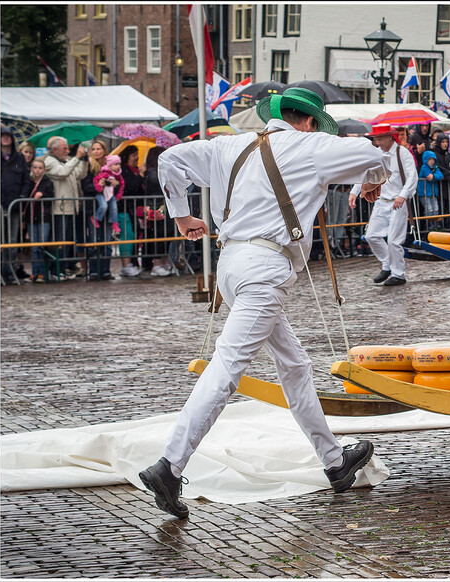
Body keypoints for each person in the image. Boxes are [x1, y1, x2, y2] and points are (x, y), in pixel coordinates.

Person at [139, 88, 391, 519]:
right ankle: (170, 464)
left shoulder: (227, 144)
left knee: (295, 366)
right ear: (309, 121)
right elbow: (373, 152)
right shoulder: (311, 145)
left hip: (233, 266)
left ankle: (334, 462)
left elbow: (169, 159)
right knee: (226, 368)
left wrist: (181, 213)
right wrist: (372, 181)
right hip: (265, 268)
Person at [349, 123, 418, 287]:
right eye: (375, 138)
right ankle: (388, 265)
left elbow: (412, 176)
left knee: (394, 240)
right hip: (382, 201)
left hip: (397, 201)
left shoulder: (403, 152)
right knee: (371, 235)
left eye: (379, 138)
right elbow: (366, 173)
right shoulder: (377, 154)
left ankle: (398, 274)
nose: (377, 142)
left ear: (389, 137)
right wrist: (355, 191)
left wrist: (402, 196)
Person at [44, 135, 87, 279]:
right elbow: (63, 173)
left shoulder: (67, 161)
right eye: (64, 148)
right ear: (55, 149)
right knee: (60, 241)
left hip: (71, 207)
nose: (67, 151)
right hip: (59, 209)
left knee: (68, 241)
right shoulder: (49, 161)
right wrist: (77, 158)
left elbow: (79, 174)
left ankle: (64, 268)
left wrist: (84, 160)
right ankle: (56, 270)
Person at [1, 126, 33, 283]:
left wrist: (22, 197)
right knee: (1, 240)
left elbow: (26, 181)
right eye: (2, 135)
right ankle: (1, 272)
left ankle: (10, 272)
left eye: (8, 135)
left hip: (14, 205)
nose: (5, 138)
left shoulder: (19, 157)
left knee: (12, 241)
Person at [80, 139, 114, 281]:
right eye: (93, 149)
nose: (96, 152)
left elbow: (118, 185)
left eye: (98, 149)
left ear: (104, 151)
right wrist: (97, 186)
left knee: (106, 240)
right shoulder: (88, 166)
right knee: (94, 240)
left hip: (108, 208)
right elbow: (85, 186)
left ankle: (105, 269)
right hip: (93, 209)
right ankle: (93, 270)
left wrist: (114, 183)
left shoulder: (111, 166)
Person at [141, 146, 177, 277]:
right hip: (156, 207)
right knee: (158, 236)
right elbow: (158, 187)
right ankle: (157, 263)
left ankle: (163, 261)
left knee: (165, 235)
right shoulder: (153, 173)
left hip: (160, 206)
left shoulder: (155, 171)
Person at [24, 157, 55, 282]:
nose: (37, 170)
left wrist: (42, 193)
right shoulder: (29, 182)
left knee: (41, 245)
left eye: (40, 168)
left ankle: (42, 272)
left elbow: (51, 195)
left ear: (44, 169)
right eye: (35, 168)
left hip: (43, 217)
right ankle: (34, 272)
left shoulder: (47, 182)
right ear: (32, 169)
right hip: (31, 217)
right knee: (34, 246)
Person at [117, 145, 144, 277]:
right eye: (133, 155)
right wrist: (141, 175)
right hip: (124, 207)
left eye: (137, 154)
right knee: (127, 236)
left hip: (133, 209)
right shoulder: (124, 170)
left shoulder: (135, 170)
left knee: (134, 235)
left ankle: (132, 263)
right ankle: (125, 265)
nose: (137, 157)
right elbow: (130, 187)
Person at [92, 155, 124, 239]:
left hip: (111, 194)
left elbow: (122, 184)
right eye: (116, 164)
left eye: (119, 164)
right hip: (102, 194)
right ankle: (96, 218)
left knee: (114, 208)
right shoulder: (104, 173)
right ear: (109, 165)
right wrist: (99, 187)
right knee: (103, 206)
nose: (118, 166)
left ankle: (114, 222)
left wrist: (119, 194)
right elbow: (96, 180)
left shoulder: (118, 175)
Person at [416, 150, 443, 228]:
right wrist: (434, 176)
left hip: (433, 192)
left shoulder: (435, 167)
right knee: (429, 210)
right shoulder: (424, 167)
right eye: (429, 159)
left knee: (436, 209)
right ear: (426, 160)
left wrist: (433, 176)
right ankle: (429, 226)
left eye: (433, 159)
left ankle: (436, 226)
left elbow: (440, 176)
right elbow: (429, 177)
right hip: (424, 192)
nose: (431, 161)